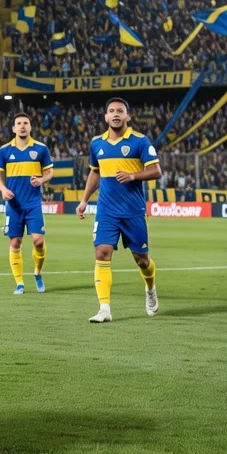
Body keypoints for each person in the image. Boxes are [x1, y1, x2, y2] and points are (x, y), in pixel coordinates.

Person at [76, 98, 162, 323]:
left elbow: (156, 171)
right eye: (111, 111)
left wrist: (134, 175)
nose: (115, 114)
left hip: (133, 211)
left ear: (128, 116)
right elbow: (95, 172)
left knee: (142, 260)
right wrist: (84, 200)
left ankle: (150, 288)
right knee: (102, 253)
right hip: (106, 211)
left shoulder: (140, 142)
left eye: (120, 111)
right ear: (105, 117)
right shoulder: (97, 143)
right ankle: (104, 309)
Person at [0, 114, 53, 295]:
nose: (22, 126)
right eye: (18, 123)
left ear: (30, 127)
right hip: (14, 204)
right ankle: (19, 283)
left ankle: (37, 272)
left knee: (38, 241)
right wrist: (3, 189)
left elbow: (50, 172)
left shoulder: (41, 149)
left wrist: (42, 179)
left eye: (25, 123)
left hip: (33, 203)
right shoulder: (4, 150)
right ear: (13, 128)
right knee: (15, 242)